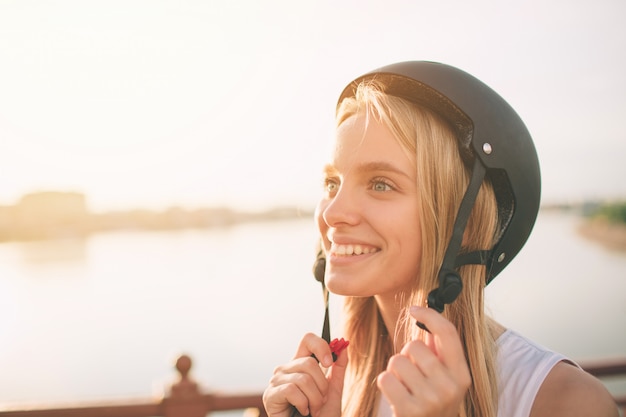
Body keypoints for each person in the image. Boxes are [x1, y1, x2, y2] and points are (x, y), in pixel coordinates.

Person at [262, 61, 618, 417]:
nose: (331, 213)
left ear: (458, 219)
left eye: (380, 184)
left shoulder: (565, 401)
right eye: (332, 184)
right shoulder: (334, 384)